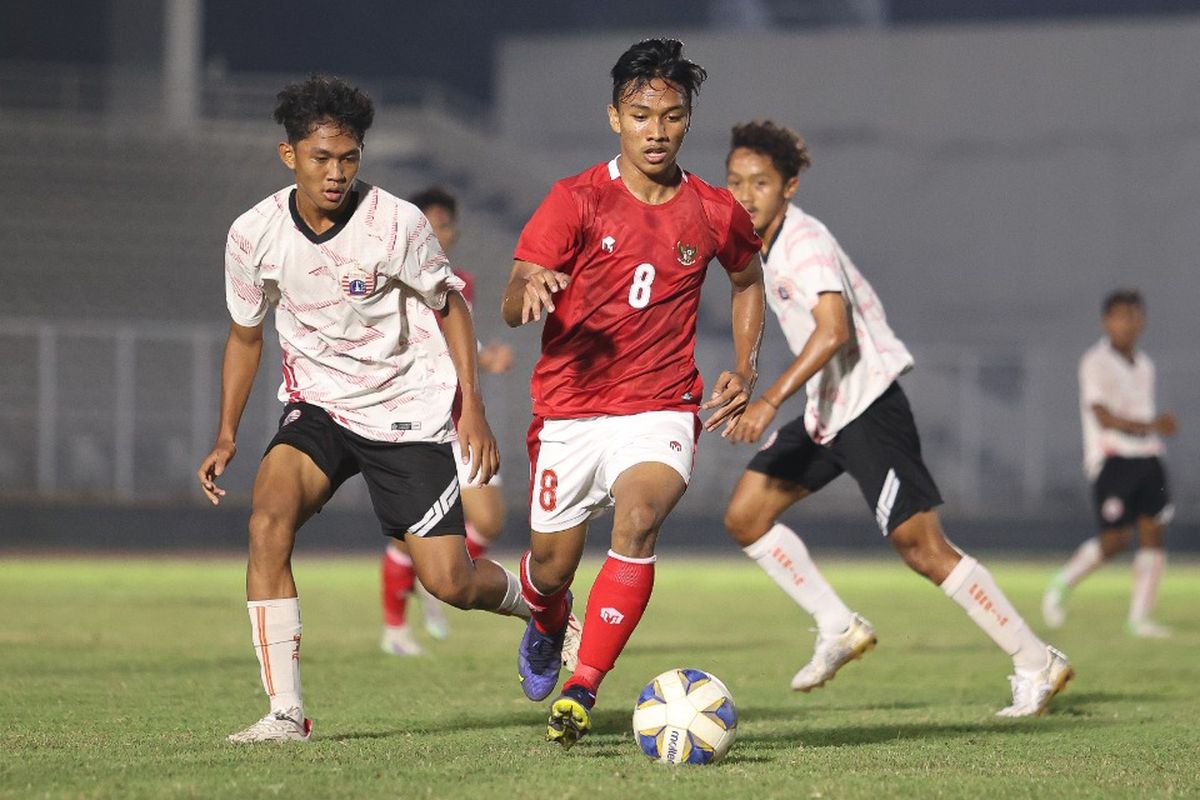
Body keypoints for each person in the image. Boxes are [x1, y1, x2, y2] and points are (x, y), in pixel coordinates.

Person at [197, 75, 530, 744]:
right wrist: (228, 433)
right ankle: (285, 713)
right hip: (319, 407)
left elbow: (452, 307)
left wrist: (472, 412)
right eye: (321, 158)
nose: (336, 173)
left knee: (450, 583)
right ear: (288, 155)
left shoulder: (396, 223)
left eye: (349, 158)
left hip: (408, 412)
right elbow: (245, 334)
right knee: (267, 522)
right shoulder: (252, 235)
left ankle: (545, 610)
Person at [719, 119, 1072, 717]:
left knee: (922, 548)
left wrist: (768, 398)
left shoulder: (803, 242)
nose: (745, 194)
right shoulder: (760, 244)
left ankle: (1036, 662)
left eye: (760, 182)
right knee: (746, 516)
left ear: (790, 188)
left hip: (868, 406)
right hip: (828, 411)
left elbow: (835, 331)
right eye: (734, 181)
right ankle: (837, 627)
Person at [502, 38, 765, 749]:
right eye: (642, 114)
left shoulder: (713, 210)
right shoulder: (576, 199)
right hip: (570, 410)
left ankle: (583, 687)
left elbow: (747, 279)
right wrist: (532, 289)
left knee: (640, 517)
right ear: (615, 117)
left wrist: (745, 363)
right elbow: (514, 289)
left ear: (687, 122)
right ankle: (549, 621)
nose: (657, 130)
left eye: (672, 116)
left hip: (661, 404)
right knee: (550, 569)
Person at [378, 186, 525, 654]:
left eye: (444, 225)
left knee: (488, 518)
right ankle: (395, 628)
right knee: (413, 534)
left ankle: (437, 580)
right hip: (415, 423)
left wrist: (481, 355)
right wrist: (483, 358)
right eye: (428, 224)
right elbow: (421, 346)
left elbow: (454, 339)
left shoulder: (458, 280)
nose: (437, 233)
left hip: (461, 417)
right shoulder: (392, 281)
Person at [1042, 290, 1177, 637]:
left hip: (1148, 458)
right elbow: (1103, 417)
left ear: (1142, 320)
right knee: (1115, 540)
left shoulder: (1145, 364)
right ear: (1107, 321)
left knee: (1153, 534)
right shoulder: (1095, 362)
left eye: (1134, 315)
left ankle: (1139, 619)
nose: (1128, 323)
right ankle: (1063, 581)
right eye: (1121, 316)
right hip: (1113, 460)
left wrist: (1153, 431)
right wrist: (1152, 425)